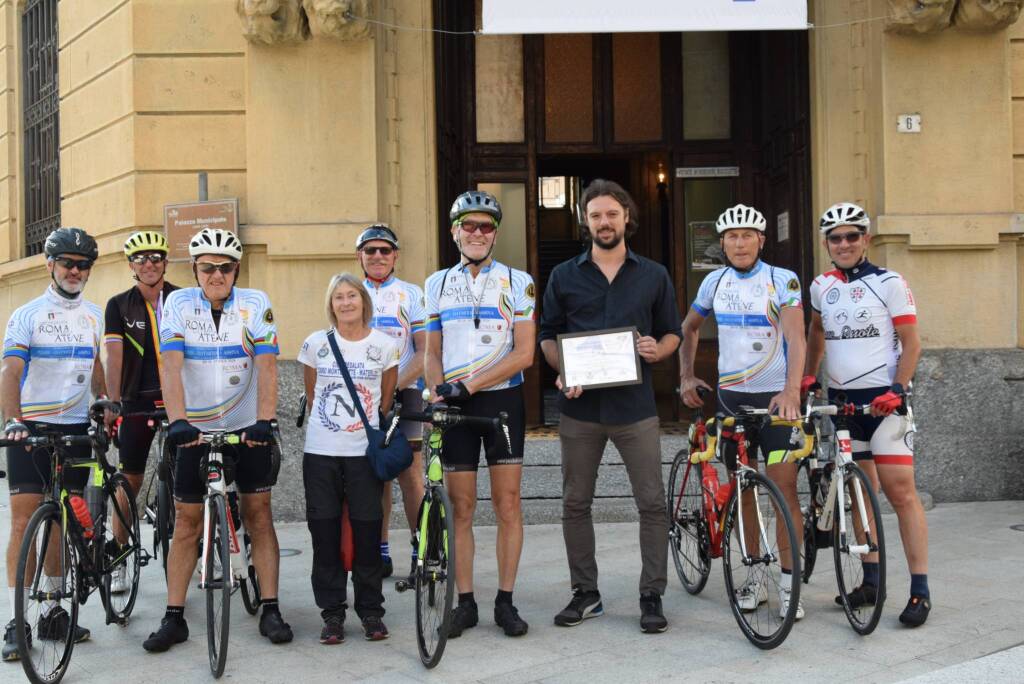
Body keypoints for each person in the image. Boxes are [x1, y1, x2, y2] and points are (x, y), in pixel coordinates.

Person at [539, 179, 681, 634]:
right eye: (596, 215)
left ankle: (651, 593)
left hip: (635, 408)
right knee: (575, 502)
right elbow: (547, 336)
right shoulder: (564, 276)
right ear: (586, 221)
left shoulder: (654, 274)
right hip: (580, 411)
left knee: (652, 503)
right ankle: (586, 594)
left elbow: (672, 331)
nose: (604, 222)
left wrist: (660, 350)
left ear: (626, 219)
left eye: (612, 214)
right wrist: (563, 369)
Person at [143, 227, 292, 652]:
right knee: (187, 523)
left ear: (236, 270)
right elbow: (170, 366)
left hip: (246, 427)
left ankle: (271, 607)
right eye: (207, 268)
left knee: (259, 514)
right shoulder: (177, 303)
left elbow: (266, 365)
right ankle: (174, 617)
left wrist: (264, 420)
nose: (216, 275)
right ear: (194, 270)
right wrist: (178, 422)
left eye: (225, 268)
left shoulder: (255, 303)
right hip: (194, 431)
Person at [679, 203, 807, 619]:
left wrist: (791, 391)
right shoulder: (714, 282)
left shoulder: (782, 280)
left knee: (784, 491)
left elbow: (796, 337)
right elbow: (689, 328)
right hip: (731, 399)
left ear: (761, 240)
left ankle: (790, 586)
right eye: (731, 237)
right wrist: (685, 376)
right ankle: (754, 577)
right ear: (722, 243)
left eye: (747, 236)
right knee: (744, 492)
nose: (739, 243)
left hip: (775, 400)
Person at [804, 202, 930, 627]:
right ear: (827, 244)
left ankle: (919, 590)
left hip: (885, 403)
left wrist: (898, 390)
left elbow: (912, 342)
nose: (843, 244)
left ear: (866, 239)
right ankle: (871, 581)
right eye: (835, 238)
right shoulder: (820, 285)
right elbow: (816, 332)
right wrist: (808, 376)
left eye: (851, 236)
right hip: (843, 405)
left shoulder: (890, 282)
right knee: (858, 496)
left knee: (901, 492)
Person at [423, 190, 535, 638]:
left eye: (485, 226)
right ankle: (464, 602)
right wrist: (436, 388)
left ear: (495, 234)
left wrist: (470, 384)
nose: (477, 233)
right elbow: (431, 351)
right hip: (453, 404)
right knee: (462, 507)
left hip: (502, 401)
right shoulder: (437, 283)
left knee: (508, 504)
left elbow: (524, 353)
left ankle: (505, 601)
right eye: (468, 225)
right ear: (454, 231)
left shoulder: (518, 281)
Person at [2, 228, 105, 661]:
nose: (75, 271)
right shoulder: (27, 314)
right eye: (67, 263)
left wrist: (102, 404)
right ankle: (17, 621)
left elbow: (97, 365)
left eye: (82, 265)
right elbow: (10, 371)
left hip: (77, 428)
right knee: (25, 521)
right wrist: (13, 420)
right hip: (32, 430)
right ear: (50, 265)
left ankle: (55, 611)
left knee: (64, 518)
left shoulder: (95, 315)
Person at [299, 273, 399, 644]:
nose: (345, 303)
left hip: (362, 455)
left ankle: (372, 612)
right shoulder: (315, 344)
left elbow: (386, 400)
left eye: (352, 296)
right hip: (321, 453)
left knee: (368, 532)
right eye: (338, 297)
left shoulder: (385, 346)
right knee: (324, 534)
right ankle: (332, 614)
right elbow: (313, 395)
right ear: (331, 304)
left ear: (363, 301)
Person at [103, 231, 179, 592]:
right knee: (129, 480)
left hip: (182, 401)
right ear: (132, 265)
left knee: (194, 476)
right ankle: (118, 556)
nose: (149, 264)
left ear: (165, 262)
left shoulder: (183, 298)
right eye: (141, 259)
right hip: (137, 401)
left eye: (155, 257)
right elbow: (113, 356)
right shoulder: (119, 305)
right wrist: (113, 402)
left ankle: (201, 547)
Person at [355, 224, 426, 585]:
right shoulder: (349, 293)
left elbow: (425, 352)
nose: (378, 256)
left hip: (405, 391)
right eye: (371, 251)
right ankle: (380, 551)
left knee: (410, 473)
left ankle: (421, 548)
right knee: (375, 475)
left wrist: (390, 387)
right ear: (360, 257)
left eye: (385, 250)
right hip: (363, 394)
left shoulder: (412, 294)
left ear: (396, 255)